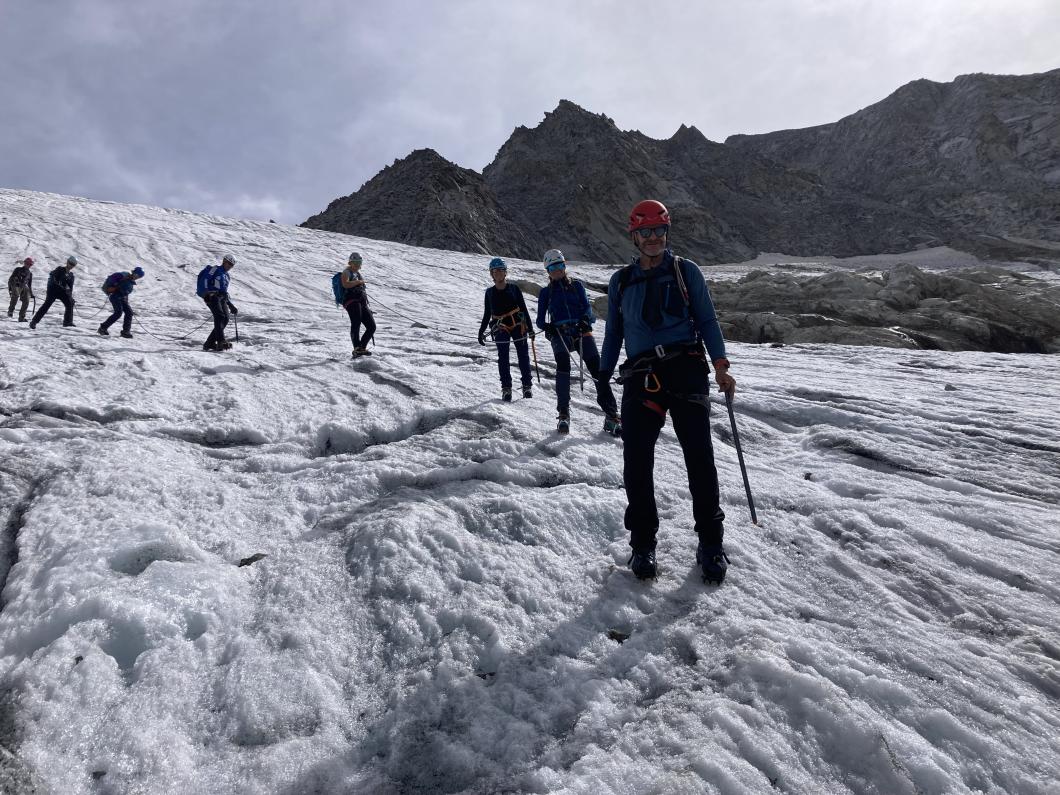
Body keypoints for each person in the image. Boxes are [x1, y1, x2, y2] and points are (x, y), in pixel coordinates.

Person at [599, 200, 737, 584]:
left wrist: (720, 365)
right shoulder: (621, 282)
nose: (653, 238)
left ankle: (711, 542)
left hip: (686, 368)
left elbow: (707, 319)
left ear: (666, 232)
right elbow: (613, 334)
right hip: (641, 376)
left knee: (699, 457)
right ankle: (643, 543)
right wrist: (603, 377)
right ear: (634, 236)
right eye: (645, 232)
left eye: (659, 230)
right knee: (636, 461)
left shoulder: (685, 271)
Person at [535, 249, 620, 435]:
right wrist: (548, 327)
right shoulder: (546, 293)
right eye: (553, 268)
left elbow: (587, 309)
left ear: (564, 266)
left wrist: (585, 320)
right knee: (563, 367)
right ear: (548, 271)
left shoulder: (577, 286)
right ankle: (563, 413)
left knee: (597, 369)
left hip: (580, 330)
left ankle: (611, 414)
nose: (557, 270)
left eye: (560, 266)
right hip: (559, 333)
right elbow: (540, 320)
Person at [478, 257, 534, 401]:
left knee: (523, 355)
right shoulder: (489, 293)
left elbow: (523, 309)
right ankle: (506, 388)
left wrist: (530, 328)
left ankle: (527, 386)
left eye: (500, 270)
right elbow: (487, 314)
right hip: (500, 326)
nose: (497, 273)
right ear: (491, 274)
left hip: (518, 324)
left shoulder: (514, 289)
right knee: (503, 356)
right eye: (495, 271)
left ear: (505, 272)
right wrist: (481, 331)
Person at [197, 254, 238, 351]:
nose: (230, 266)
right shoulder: (215, 269)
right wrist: (206, 293)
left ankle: (209, 343)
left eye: (232, 265)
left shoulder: (227, 276)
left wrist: (231, 305)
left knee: (225, 319)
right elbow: (205, 279)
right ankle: (221, 341)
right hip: (211, 295)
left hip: (221, 298)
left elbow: (224, 292)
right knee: (219, 316)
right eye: (229, 263)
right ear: (224, 261)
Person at [340, 252, 376, 356]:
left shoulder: (357, 274)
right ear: (350, 263)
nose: (357, 265)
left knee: (371, 326)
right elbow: (345, 284)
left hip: (361, 301)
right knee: (356, 323)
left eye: (359, 262)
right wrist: (358, 282)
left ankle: (361, 348)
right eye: (355, 262)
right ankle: (357, 348)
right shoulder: (346, 272)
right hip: (351, 301)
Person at [29, 256, 77, 329]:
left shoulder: (71, 276)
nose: (71, 265)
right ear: (67, 262)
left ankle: (67, 322)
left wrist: (70, 297)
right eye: (70, 263)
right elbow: (54, 278)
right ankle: (34, 322)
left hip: (62, 292)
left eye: (73, 264)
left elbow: (70, 289)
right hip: (53, 290)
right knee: (47, 304)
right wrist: (59, 284)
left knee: (70, 303)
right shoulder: (59, 269)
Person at [97, 266, 145, 338]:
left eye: (139, 277)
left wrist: (126, 301)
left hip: (122, 298)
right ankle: (103, 328)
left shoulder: (130, 281)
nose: (136, 277)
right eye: (137, 275)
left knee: (129, 313)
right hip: (115, 296)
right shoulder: (123, 276)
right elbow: (114, 284)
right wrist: (113, 287)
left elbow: (125, 292)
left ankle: (126, 332)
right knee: (118, 313)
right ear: (133, 272)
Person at [7, 257, 34, 322]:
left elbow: (29, 285)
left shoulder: (30, 274)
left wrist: (31, 293)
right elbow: (11, 278)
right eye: (27, 263)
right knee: (15, 296)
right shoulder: (18, 269)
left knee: (26, 300)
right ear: (24, 263)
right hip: (15, 285)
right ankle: (10, 311)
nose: (28, 265)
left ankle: (21, 317)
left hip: (23, 287)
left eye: (29, 264)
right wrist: (13, 283)